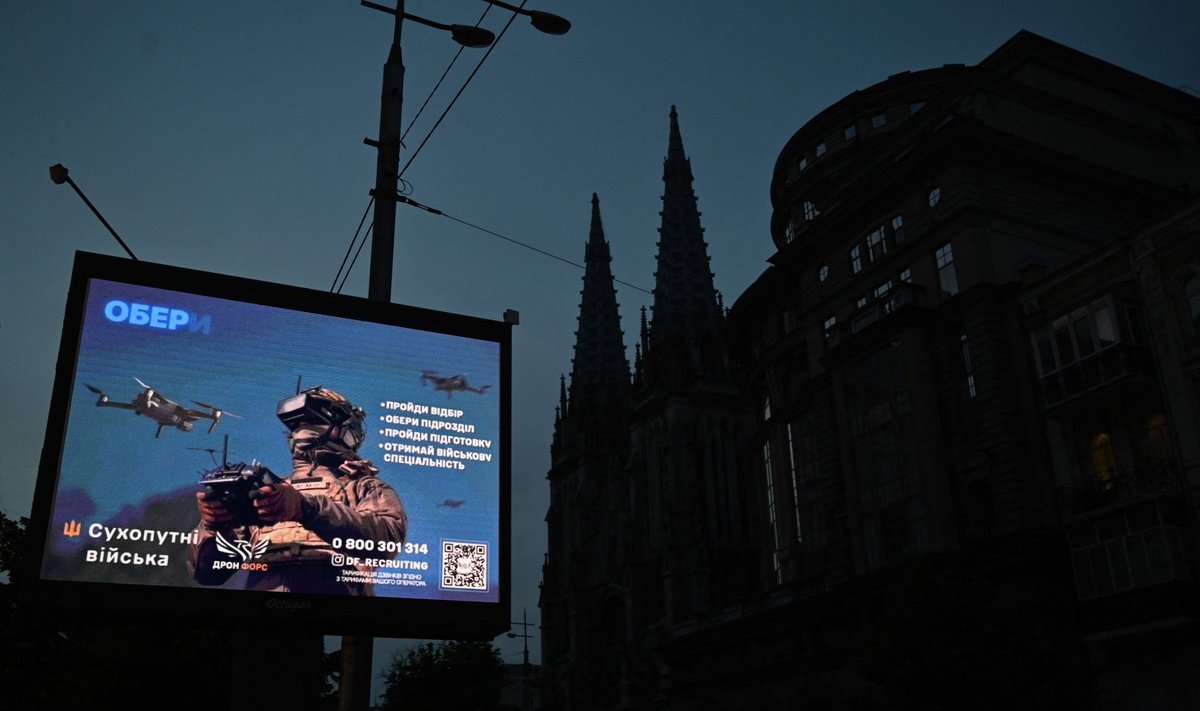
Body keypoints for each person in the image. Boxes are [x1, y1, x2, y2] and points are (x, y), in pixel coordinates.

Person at [188, 386, 407, 595]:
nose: (302, 427)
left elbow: (385, 541)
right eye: (297, 424)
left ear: (346, 431)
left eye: (312, 420)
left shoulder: (364, 487)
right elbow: (208, 574)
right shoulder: (267, 491)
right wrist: (213, 525)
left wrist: (307, 508)